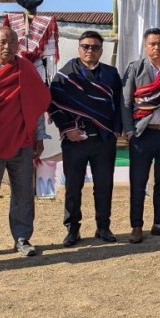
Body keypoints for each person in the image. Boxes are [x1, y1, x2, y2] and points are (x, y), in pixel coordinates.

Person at [0, 27, 51, 261]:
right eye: (2, 42)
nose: (7, 47)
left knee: (23, 192)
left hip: (21, 141)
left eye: (12, 42)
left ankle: (22, 238)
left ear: (18, 45)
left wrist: (39, 136)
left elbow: (36, 107)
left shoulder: (27, 69)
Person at [48, 31, 123, 246]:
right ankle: (72, 229)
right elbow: (53, 103)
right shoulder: (66, 74)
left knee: (104, 185)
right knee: (73, 186)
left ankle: (103, 226)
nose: (90, 50)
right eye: (86, 46)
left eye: (95, 47)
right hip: (75, 140)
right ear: (79, 48)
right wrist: (68, 128)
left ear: (101, 50)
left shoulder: (110, 73)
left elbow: (119, 103)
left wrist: (116, 129)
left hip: (103, 139)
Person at [122, 27, 160, 244]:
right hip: (142, 133)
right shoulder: (135, 68)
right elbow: (127, 102)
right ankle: (136, 226)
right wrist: (129, 131)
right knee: (138, 182)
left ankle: (159, 223)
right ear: (145, 46)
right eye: (152, 44)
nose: (156, 47)